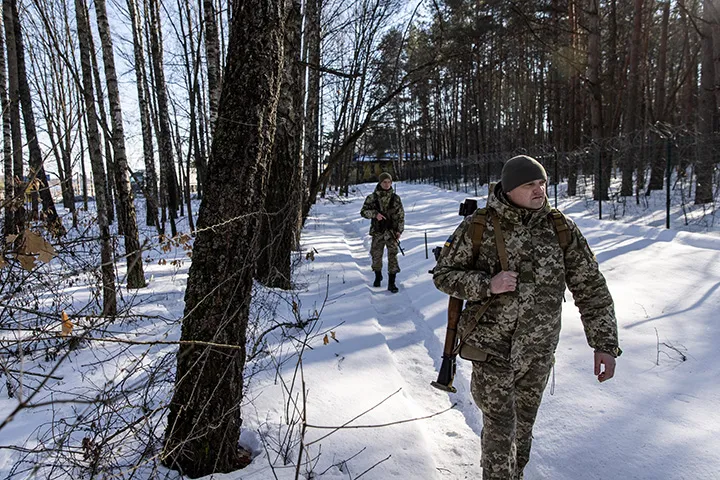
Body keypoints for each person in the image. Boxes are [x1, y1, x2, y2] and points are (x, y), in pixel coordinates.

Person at [432, 155, 621, 480]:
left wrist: (604, 343)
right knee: (501, 429)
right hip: (492, 351)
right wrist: (486, 284)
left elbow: (590, 286)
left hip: (538, 355)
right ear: (509, 189)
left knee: (521, 432)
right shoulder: (480, 226)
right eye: (529, 184)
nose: (539, 190)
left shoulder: (560, 228)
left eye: (542, 183)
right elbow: (444, 274)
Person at [360, 172, 405, 293]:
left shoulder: (395, 198)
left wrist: (399, 230)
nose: (387, 184)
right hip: (378, 231)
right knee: (376, 255)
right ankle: (377, 276)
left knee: (393, 256)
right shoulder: (372, 197)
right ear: (380, 183)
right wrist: (375, 214)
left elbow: (401, 215)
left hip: (391, 232)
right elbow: (363, 212)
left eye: (389, 182)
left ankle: (392, 282)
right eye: (384, 182)